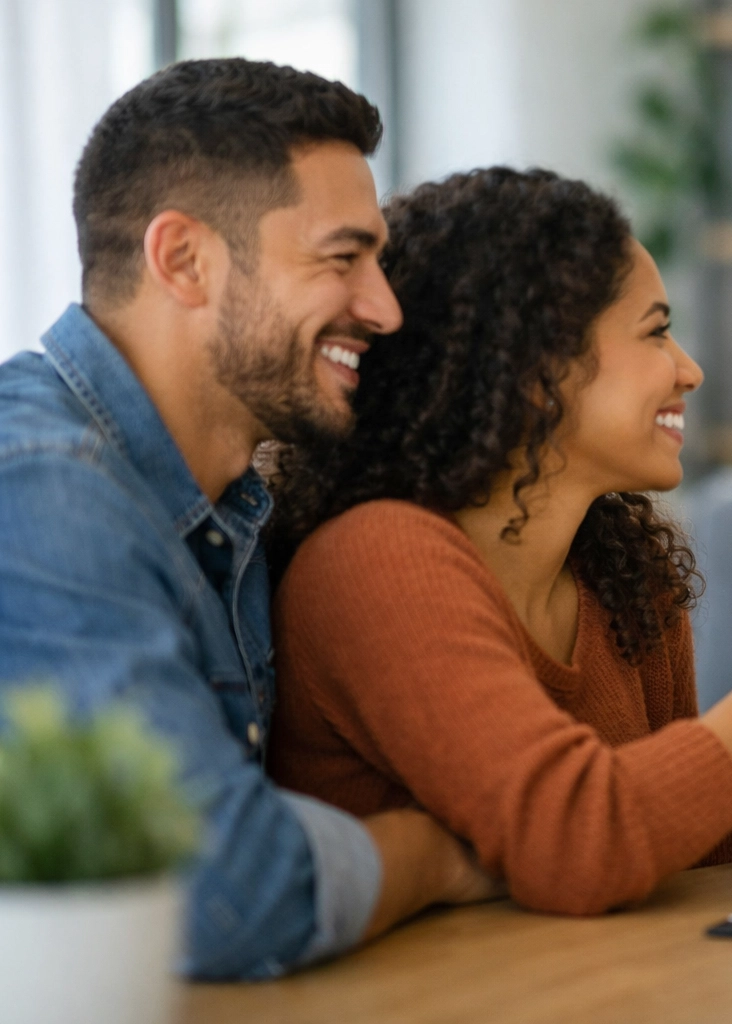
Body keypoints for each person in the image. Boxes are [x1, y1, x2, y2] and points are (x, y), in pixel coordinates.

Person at [0, 59, 502, 979]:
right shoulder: (43, 489)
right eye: (341, 259)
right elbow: (228, 890)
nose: (384, 308)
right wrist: (438, 853)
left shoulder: (229, 506)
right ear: (183, 259)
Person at [263, 167, 732, 914]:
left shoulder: (626, 576)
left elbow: (708, 880)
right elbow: (579, 842)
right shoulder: (374, 561)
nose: (690, 369)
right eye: (655, 331)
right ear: (534, 370)